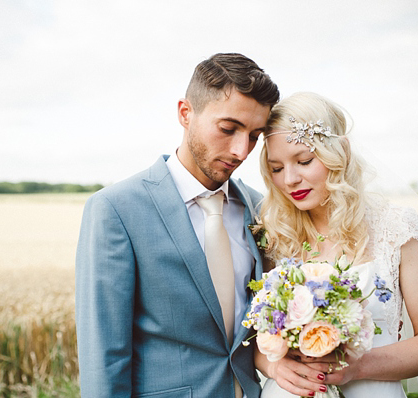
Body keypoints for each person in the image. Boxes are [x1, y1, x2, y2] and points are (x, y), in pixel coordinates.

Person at [75, 53, 280, 397]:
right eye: (228, 129)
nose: (241, 150)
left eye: (255, 135)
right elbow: (104, 356)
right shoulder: (115, 209)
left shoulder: (260, 207)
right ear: (186, 113)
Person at [254, 92, 418, 397]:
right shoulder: (274, 235)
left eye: (304, 161)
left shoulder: (397, 228)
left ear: (339, 151)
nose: (290, 179)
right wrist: (272, 366)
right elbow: (251, 339)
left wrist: (358, 366)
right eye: (276, 168)